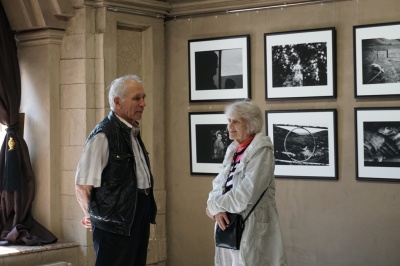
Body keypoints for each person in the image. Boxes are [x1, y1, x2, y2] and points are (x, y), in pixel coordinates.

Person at [75, 75, 157, 266]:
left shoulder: (132, 131)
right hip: (114, 222)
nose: (143, 103)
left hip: (137, 214)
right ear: (117, 102)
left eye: (144, 98)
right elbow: (82, 185)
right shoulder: (103, 135)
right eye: (137, 98)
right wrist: (91, 216)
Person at [206, 100, 287, 266]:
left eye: (235, 121)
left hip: (251, 228)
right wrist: (216, 209)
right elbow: (218, 184)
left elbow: (245, 195)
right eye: (229, 121)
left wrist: (214, 206)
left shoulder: (262, 150)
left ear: (251, 123)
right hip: (229, 228)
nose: (229, 126)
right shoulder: (233, 149)